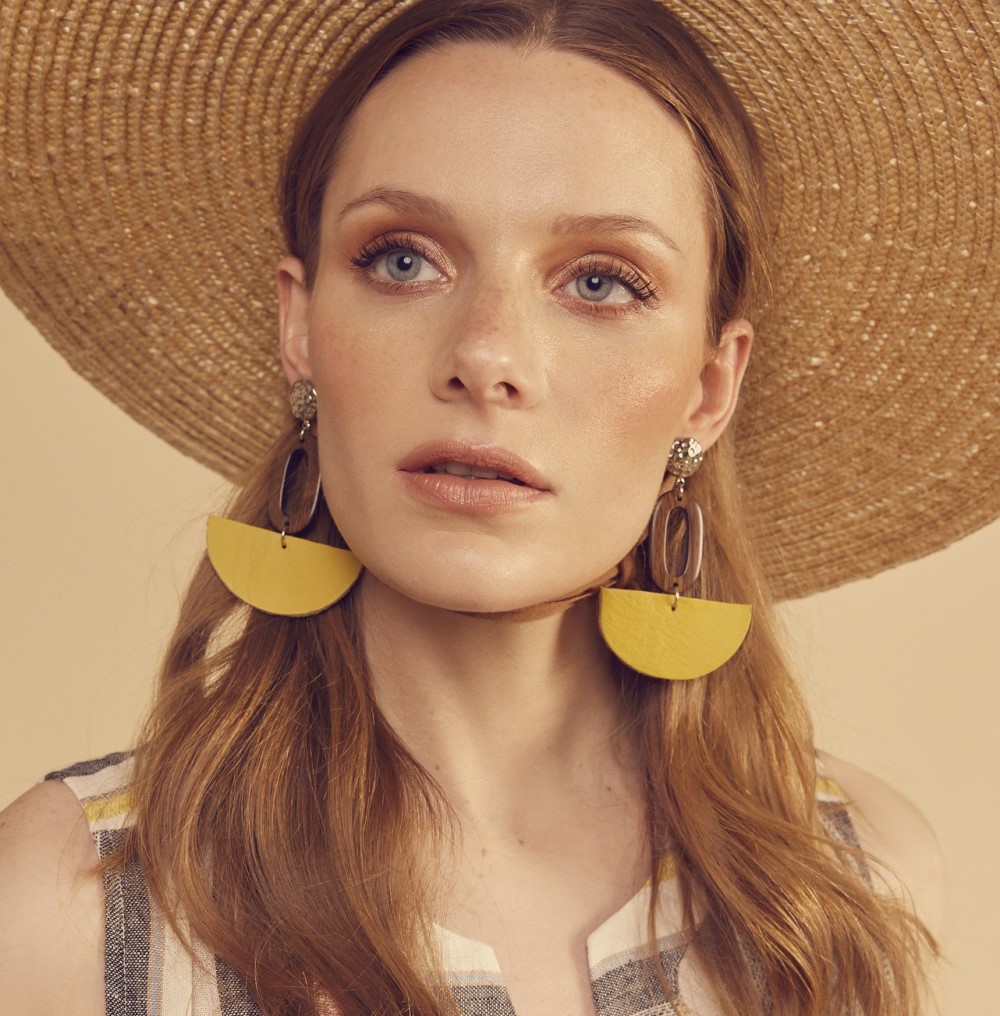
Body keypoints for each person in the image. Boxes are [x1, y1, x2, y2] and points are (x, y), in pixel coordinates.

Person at [2, 0, 996, 1012]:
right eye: (401, 259)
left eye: (601, 282)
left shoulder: (851, 876)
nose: (485, 354)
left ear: (708, 385)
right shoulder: (62, 902)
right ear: (298, 327)